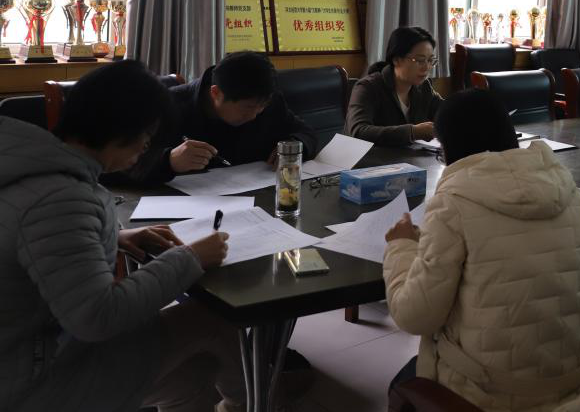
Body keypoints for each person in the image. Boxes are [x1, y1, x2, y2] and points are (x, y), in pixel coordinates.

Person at [0, 61, 241, 412]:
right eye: (147, 137)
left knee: (194, 373)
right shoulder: (61, 199)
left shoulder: (29, 166)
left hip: (29, 354)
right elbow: (98, 317)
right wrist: (189, 258)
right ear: (121, 129)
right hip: (32, 384)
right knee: (213, 319)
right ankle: (253, 402)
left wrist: (115, 236)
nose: (146, 148)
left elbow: (29, 243)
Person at [382, 89, 580, 411]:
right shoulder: (568, 191)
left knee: (402, 383)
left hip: (490, 393)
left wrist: (401, 247)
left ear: (449, 147)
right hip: (574, 380)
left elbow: (415, 317)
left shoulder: (453, 203)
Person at [106, 50, 317, 185]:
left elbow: (306, 132)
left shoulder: (266, 101)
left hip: (256, 203)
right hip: (183, 214)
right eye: (248, 108)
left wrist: (294, 146)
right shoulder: (166, 107)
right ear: (215, 93)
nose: (255, 115)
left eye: (261, 107)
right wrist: (169, 161)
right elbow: (110, 168)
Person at [346, 26, 443, 145]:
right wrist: (412, 132)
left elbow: (447, 112)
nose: (427, 67)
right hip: (370, 156)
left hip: (407, 155)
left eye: (430, 60)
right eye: (420, 60)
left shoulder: (424, 87)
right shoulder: (367, 87)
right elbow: (359, 132)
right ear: (396, 60)